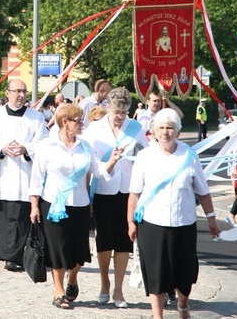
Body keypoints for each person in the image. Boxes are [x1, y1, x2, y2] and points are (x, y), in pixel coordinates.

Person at [127, 108, 221, 319]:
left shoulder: (189, 155)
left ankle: (182, 302)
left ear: (177, 131)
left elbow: (203, 191)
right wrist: (131, 222)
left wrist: (212, 218)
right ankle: (157, 315)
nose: (165, 132)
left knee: (184, 273)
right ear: (153, 131)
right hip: (152, 223)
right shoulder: (144, 157)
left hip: (184, 223)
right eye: (160, 128)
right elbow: (134, 194)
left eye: (170, 128)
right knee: (155, 272)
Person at [29, 103, 120, 309]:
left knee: (79, 252)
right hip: (53, 204)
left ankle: (72, 278)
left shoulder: (85, 147)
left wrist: (112, 161)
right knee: (59, 248)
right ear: (65, 122)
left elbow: (98, 172)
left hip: (80, 204)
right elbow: (36, 178)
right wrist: (34, 205)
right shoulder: (47, 146)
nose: (82, 124)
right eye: (78, 121)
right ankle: (59, 291)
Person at [83, 87, 148, 308]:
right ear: (107, 107)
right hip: (103, 188)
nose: (119, 117)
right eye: (116, 112)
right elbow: (87, 159)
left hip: (128, 190)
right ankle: (104, 282)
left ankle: (119, 290)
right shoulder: (95, 128)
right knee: (104, 240)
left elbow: (145, 156)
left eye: (124, 112)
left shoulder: (136, 127)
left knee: (124, 241)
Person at [0, 79, 48, 272]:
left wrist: (27, 148)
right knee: (3, 215)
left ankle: (16, 257)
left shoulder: (36, 117)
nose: (21, 95)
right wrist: (1, 148)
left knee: (21, 216)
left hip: (25, 173)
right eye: (17, 91)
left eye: (24, 91)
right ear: (7, 93)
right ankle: (4, 253)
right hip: (2, 171)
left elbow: (43, 142)